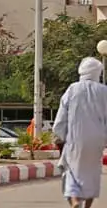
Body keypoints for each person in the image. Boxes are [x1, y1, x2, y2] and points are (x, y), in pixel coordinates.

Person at [52, 56, 107, 208]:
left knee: (72, 172)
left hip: (75, 139)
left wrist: (61, 135)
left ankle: (75, 201)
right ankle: (87, 206)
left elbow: (61, 117)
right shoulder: (104, 91)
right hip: (97, 141)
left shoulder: (73, 89)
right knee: (92, 174)